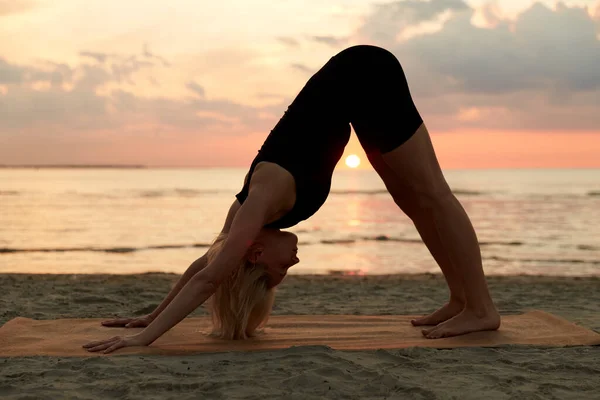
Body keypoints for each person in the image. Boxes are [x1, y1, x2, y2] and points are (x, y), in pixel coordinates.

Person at [84, 45, 500, 354]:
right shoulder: (247, 218)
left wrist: (144, 338)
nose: (295, 263)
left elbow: (209, 279)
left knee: (432, 194)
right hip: (357, 93)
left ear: (255, 253)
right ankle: (460, 299)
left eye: (279, 270)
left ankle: (481, 308)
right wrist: (151, 314)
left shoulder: (259, 202)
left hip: (365, 75)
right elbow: (208, 263)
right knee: (416, 204)